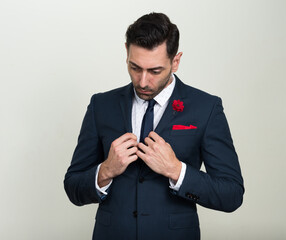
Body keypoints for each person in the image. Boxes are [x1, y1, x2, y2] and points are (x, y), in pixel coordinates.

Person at [64, 12, 244, 240]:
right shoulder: (101, 105)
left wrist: (176, 170)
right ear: (126, 53)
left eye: (155, 71)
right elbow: (73, 187)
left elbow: (231, 194)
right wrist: (106, 171)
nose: (142, 81)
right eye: (135, 67)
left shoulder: (206, 108)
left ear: (175, 62)